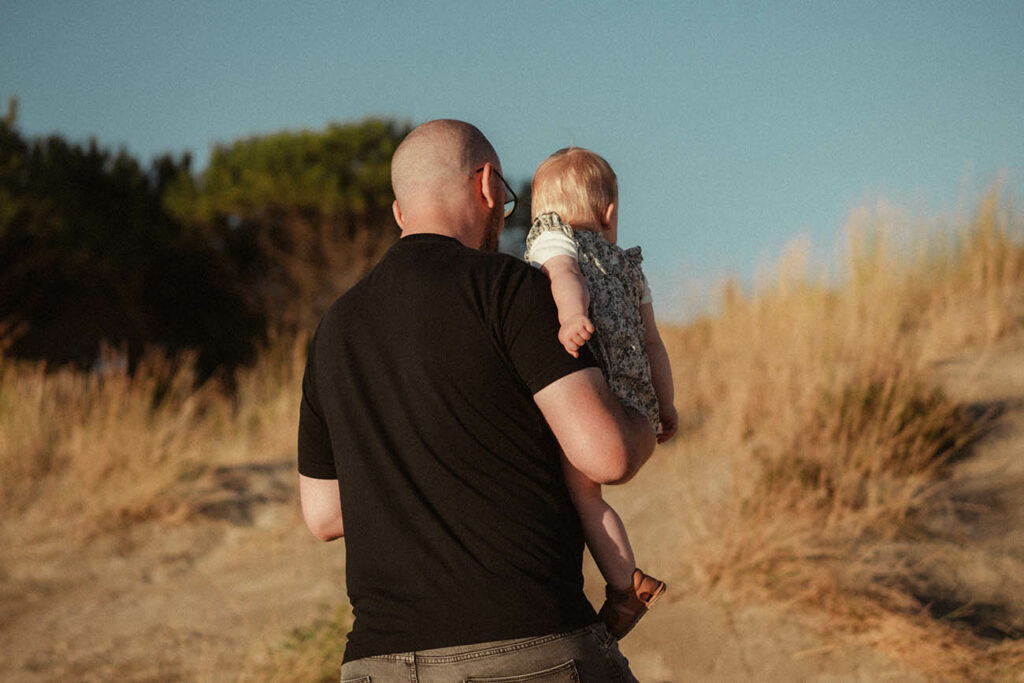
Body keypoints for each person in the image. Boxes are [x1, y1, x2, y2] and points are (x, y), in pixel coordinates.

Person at [298, 119, 656, 682]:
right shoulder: (511, 289)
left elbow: (323, 515)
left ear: (400, 213)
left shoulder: (333, 329)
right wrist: (645, 419)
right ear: (488, 185)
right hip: (529, 651)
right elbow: (606, 455)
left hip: (378, 665)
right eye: (507, 202)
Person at [524, 147, 678, 639]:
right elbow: (654, 342)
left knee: (582, 494)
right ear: (610, 213)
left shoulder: (551, 236)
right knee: (591, 495)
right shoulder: (631, 268)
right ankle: (624, 584)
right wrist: (665, 405)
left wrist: (570, 317)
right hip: (637, 408)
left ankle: (624, 585)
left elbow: (565, 276)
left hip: (595, 403)